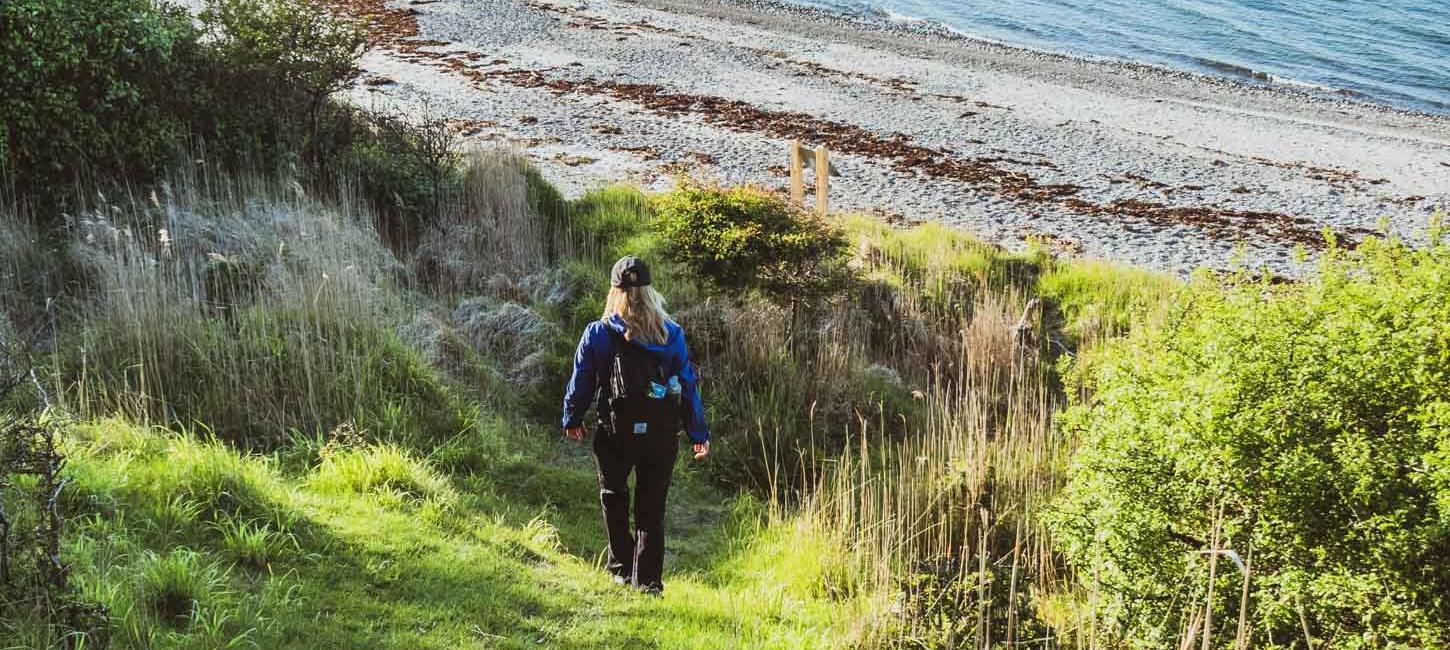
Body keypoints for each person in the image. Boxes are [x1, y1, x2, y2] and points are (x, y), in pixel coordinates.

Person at [562, 256, 710, 595]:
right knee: (651, 506)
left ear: (615, 290)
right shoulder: (670, 333)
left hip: (615, 431)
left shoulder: (598, 333)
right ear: (648, 290)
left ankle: (620, 568)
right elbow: (687, 384)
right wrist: (698, 433)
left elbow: (582, 380)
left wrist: (572, 417)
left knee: (613, 495)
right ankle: (648, 582)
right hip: (660, 434)